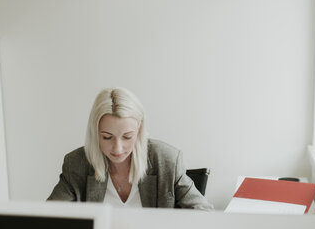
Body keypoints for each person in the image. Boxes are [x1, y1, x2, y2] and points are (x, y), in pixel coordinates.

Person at [48, 87, 213, 210]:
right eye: (107, 137)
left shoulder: (166, 160)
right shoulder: (76, 164)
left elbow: (204, 214)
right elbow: (47, 219)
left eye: (127, 137)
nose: (117, 148)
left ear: (139, 129)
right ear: (95, 132)